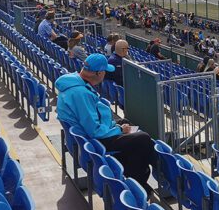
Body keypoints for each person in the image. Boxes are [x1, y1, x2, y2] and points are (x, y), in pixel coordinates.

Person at [55, 54, 157, 192]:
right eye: (104, 72)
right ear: (99, 73)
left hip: (87, 136)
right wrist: (119, 130)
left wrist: (117, 126)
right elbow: (94, 130)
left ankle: (135, 176)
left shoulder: (76, 83)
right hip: (92, 141)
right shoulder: (80, 93)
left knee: (127, 125)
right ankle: (145, 181)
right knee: (143, 139)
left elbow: (93, 119)